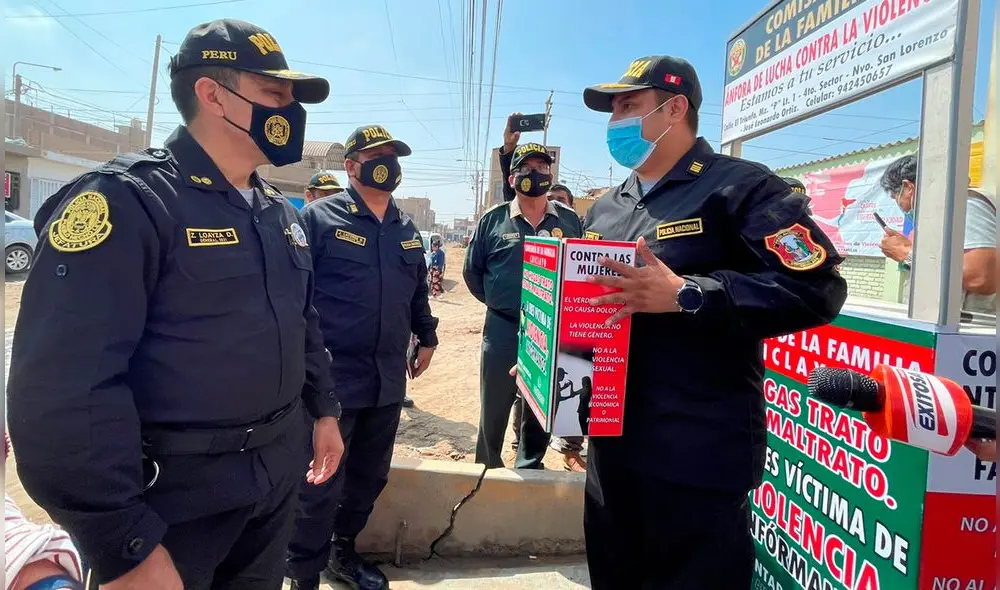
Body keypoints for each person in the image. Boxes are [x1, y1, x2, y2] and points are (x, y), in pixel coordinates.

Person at [7, 19, 346, 590]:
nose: (290, 111)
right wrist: (124, 543)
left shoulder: (276, 212)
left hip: (271, 481)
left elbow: (301, 320)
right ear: (213, 94)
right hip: (173, 505)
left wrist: (326, 410)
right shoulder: (129, 202)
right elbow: (62, 390)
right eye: (274, 94)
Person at [578, 55, 847, 588]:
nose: (615, 120)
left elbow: (817, 289)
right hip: (611, 450)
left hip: (695, 453)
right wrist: (550, 365)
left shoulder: (742, 189)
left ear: (674, 108)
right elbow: (592, 311)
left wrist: (689, 294)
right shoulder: (606, 208)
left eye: (628, 105)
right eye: (612, 110)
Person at [286, 124, 439, 590]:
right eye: (377, 155)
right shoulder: (318, 219)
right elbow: (295, 299)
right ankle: (302, 573)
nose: (387, 164)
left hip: (387, 380)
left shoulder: (407, 228)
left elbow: (415, 292)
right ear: (351, 165)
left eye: (393, 156)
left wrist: (427, 336)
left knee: (369, 478)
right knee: (318, 483)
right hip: (331, 382)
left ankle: (342, 552)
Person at [464, 142, 584, 470]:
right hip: (502, 327)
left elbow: (579, 271)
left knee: (540, 407)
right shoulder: (493, 220)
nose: (536, 173)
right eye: (527, 168)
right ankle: (486, 471)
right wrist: (501, 303)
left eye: (543, 168)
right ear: (513, 178)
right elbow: (472, 273)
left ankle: (529, 466)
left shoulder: (570, 221)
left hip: (549, 329)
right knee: (494, 405)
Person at [878, 154, 997, 313]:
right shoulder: (944, 212)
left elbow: (981, 278)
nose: (898, 204)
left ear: (908, 187)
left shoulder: (965, 204)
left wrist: (908, 253)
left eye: (895, 197)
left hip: (971, 329)